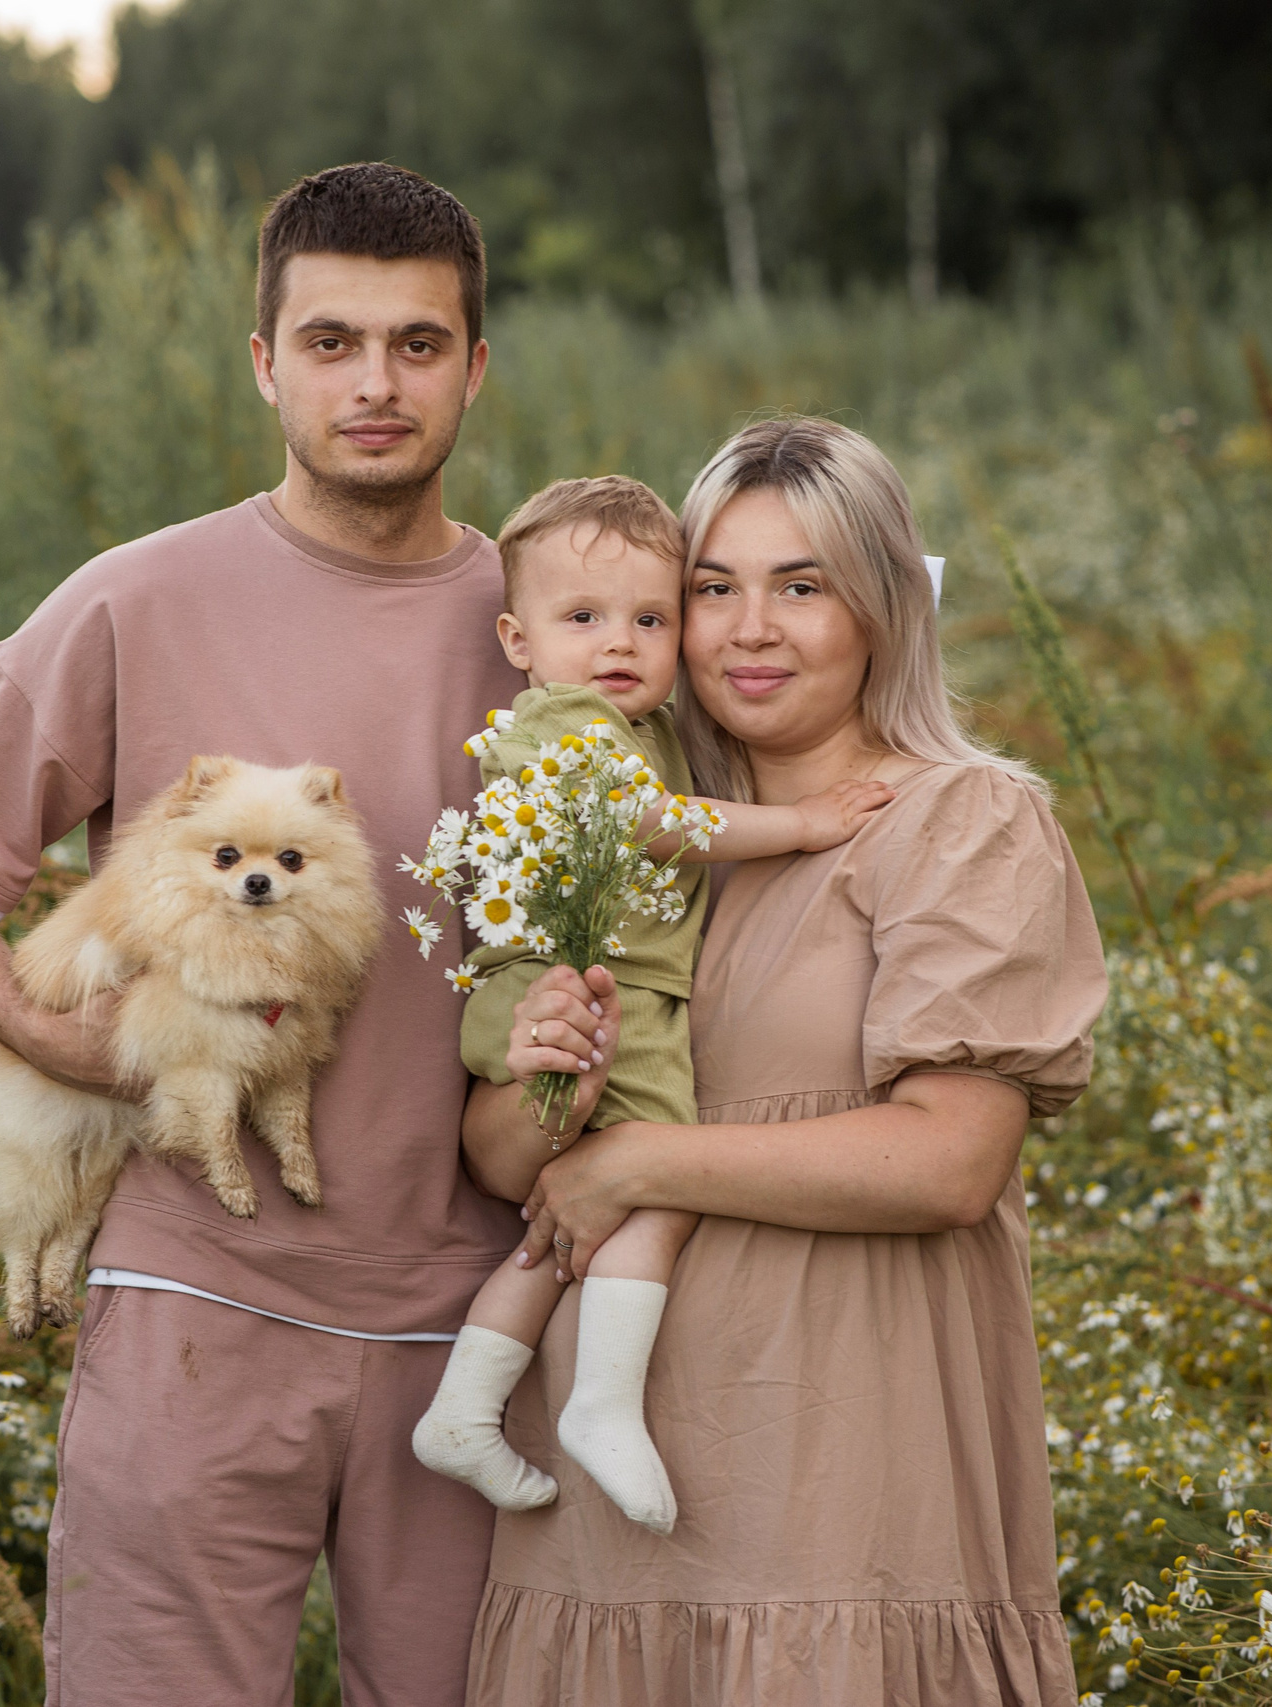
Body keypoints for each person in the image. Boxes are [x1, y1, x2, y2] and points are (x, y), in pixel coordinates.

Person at [0, 163, 524, 1707]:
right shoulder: (136, 601)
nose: (375, 382)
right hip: (197, 1302)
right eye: (333, 341)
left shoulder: (547, 627)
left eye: (418, 344)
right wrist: (74, 1042)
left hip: (481, 1322)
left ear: (475, 367)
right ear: (266, 362)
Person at [461, 416, 1109, 1704]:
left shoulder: (959, 820)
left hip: (837, 1476)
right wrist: (550, 1079)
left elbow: (948, 1162)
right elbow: (502, 1162)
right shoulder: (637, 835)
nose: (749, 630)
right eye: (713, 589)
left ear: (882, 609)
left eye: (801, 587)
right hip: (602, 1506)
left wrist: (637, 1160)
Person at [407, 474, 892, 1533]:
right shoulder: (560, 721)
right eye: (582, 618)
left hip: (606, 991)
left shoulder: (649, 726)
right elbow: (650, 823)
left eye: (650, 619)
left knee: (570, 1218)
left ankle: (465, 1408)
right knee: (666, 1182)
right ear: (517, 638)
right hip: (578, 991)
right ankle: (601, 1402)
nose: (618, 643)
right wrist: (804, 824)